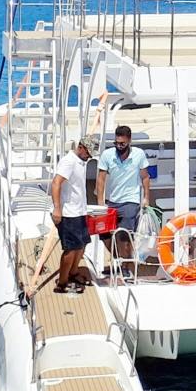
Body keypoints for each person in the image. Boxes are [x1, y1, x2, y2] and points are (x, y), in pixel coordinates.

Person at [96, 124, 152, 261]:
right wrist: (100, 202)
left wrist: (146, 198)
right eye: (116, 143)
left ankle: (125, 266)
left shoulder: (139, 154)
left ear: (129, 141)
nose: (119, 146)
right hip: (112, 201)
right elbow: (101, 179)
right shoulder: (107, 155)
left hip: (130, 201)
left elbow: (145, 177)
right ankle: (119, 260)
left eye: (122, 143)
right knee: (103, 233)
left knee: (124, 236)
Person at [50, 139, 97, 293]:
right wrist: (57, 209)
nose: (89, 157)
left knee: (82, 244)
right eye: (88, 153)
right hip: (69, 214)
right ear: (81, 148)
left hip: (80, 211)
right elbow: (56, 183)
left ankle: (74, 272)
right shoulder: (68, 162)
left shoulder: (80, 161)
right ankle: (62, 283)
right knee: (70, 249)